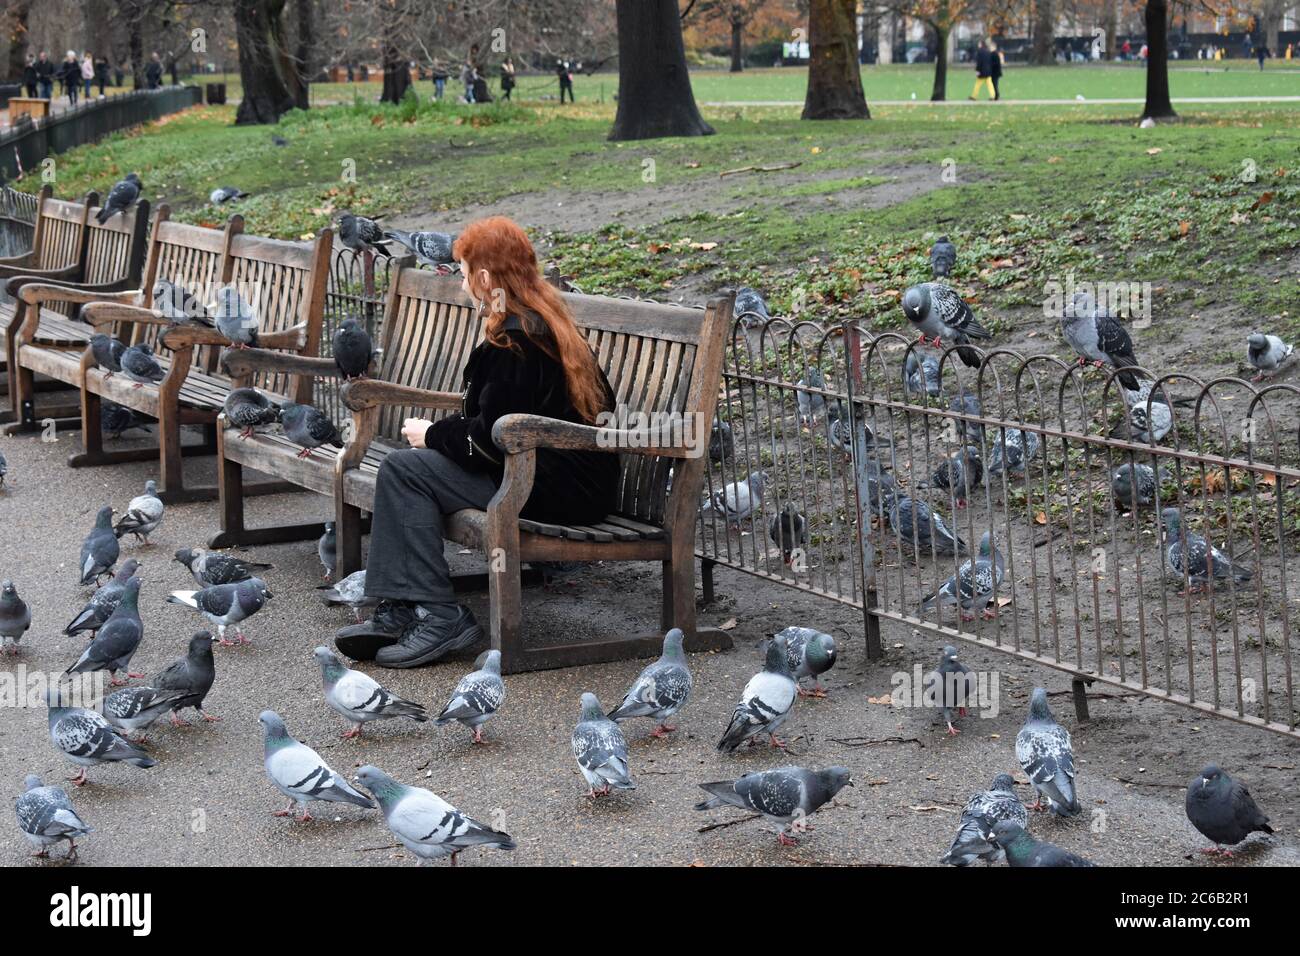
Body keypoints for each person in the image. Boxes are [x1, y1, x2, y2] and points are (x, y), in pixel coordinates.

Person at [334, 216, 620, 668]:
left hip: (549, 487)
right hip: (545, 472)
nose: (463, 284)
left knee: (405, 470)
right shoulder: (536, 321)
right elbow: (497, 423)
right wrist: (442, 439)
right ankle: (406, 606)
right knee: (411, 470)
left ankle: (438, 615)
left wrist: (431, 434)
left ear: (485, 278)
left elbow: (493, 435)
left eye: (465, 272)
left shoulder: (518, 341)